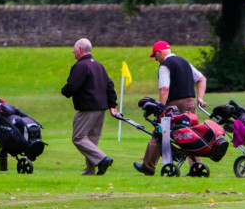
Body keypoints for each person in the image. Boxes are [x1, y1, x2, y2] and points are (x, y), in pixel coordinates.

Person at [133, 40, 207, 176]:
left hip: (173, 105)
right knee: (191, 134)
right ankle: (196, 167)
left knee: (159, 133)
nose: (155, 59)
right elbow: (202, 79)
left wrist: (161, 108)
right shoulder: (185, 62)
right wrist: (199, 98)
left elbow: (164, 88)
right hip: (190, 103)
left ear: (160, 52)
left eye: (155, 56)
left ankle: (148, 166)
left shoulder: (165, 65)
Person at [61, 38, 118, 175]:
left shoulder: (81, 66)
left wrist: (65, 91)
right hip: (101, 109)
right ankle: (90, 170)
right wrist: (112, 105)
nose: (73, 52)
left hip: (87, 109)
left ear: (80, 49)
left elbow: (73, 85)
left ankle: (103, 159)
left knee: (78, 138)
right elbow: (109, 86)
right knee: (91, 140)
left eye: (74, 49)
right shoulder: (99, 66)